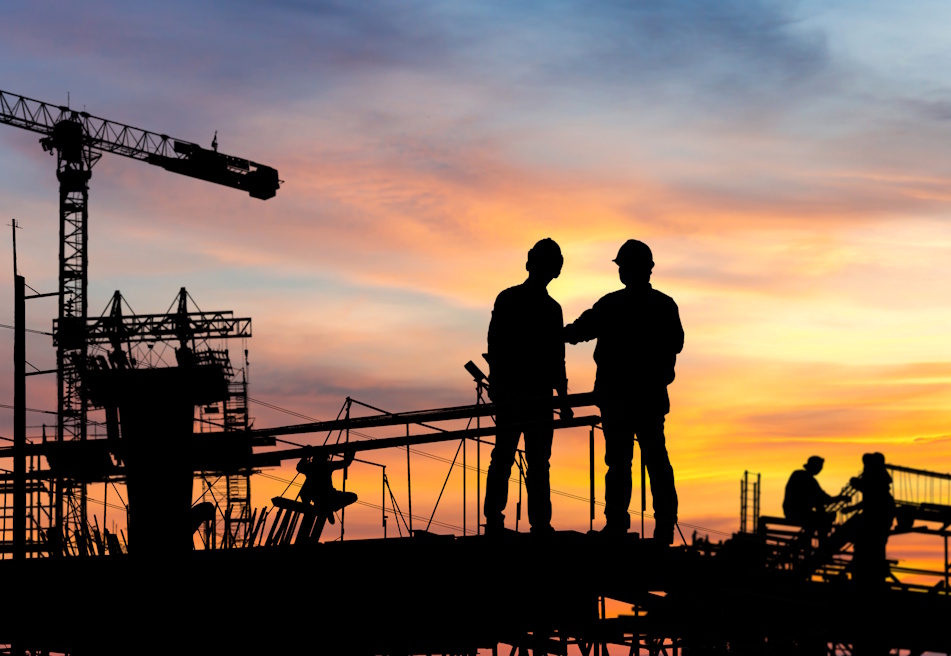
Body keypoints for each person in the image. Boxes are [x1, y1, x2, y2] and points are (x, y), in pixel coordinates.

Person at [564, 239, 684, 543]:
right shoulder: (663, 305)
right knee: (653, 458)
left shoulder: (612, 305)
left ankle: (619, 523)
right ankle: (663, 524)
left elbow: (578, 332)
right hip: (647, 398)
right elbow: (677, 343)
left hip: (619, 398)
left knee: (621, 461)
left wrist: (549, 334)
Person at [482, 238, 573, 536]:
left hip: (525, 394)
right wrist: (562, 400)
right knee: (522, 459)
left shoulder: (517, 301)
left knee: (515, 457)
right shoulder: (542, 307)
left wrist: (562, 399)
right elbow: (498, 346)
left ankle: (510, 521)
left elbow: (554, 358)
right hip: (526, 394)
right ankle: (527, 522)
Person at [840, 452, 895, 587]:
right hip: (880, 516)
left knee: (869, 544)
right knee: (872, 544)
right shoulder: (879, 480)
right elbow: (870, 500)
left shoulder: (875, 479)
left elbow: (871, 497)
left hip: (877, 518)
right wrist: (852, 508)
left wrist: (855, 483)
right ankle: (869, 572)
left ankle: (866, 573)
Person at [783, 455, 850, 542]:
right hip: (798, 512)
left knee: (819, 516)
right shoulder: (807, 479)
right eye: (819, 467)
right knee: (822, 519)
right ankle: (820, 542)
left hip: (791, 511)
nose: (820, 469)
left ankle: (808, 539)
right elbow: (823, 498)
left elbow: (820, 497)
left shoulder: (798, 474)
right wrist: (840, 498)